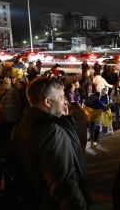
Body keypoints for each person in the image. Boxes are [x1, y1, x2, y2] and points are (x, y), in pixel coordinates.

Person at [12, 77, 91, 209]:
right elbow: (64, 185)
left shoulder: (22, 125)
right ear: (48, 101)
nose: (65, 102)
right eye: (61, 97)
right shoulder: (51, 131)